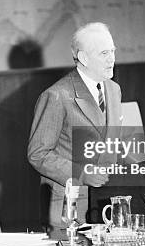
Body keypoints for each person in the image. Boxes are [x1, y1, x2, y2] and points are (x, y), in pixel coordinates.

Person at [27, 22, 124, 229]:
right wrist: (81, 173)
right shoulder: (56, 96)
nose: (112, 59)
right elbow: (38, 153)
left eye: (113, 51)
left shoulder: (114, 90)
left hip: (105, 205)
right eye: (104, 53)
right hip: (67, 208)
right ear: (83, 58)